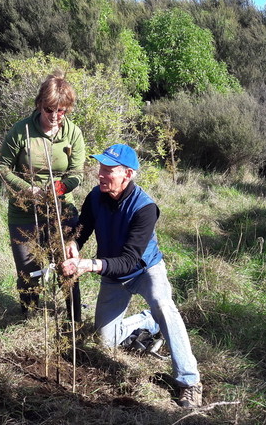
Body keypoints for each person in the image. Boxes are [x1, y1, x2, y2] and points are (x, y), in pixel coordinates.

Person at [60, 144, 203, 408]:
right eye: (100, 168)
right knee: (106, 339)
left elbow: (129, 260)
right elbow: (84, 228)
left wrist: (89, 265)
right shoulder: (96, 195)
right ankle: (149, 321)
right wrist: (74, 244)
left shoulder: (145, 208)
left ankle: (189, 381)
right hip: (113, 274)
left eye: (108, 170)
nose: (100, 175)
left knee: (163, 304)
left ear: (128, 174)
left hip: (145, 270)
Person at [0, 71, 85, 320]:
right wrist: (27, 189)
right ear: (39, 105)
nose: (55, 117)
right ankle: (30, 315)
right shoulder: (21, 130)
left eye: (61, 111)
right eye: (49, 110)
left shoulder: (73, 133)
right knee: (28, 269)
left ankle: (73, 318)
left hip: (61, 210)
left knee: (67, 264)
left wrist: (59, 189)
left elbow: (77, 172)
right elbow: (2, 167)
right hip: (24, 211)